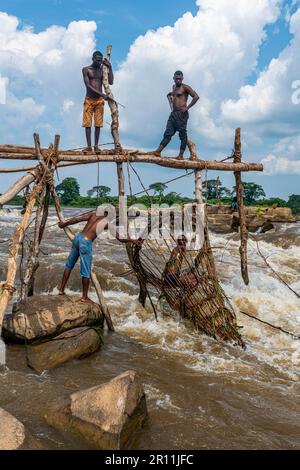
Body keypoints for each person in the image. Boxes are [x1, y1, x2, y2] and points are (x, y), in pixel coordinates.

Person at [58, 211, 139, 303]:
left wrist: (63, 224)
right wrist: (132, 240)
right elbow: (120, 238)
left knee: (69, 266)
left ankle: (61, 290)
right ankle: (84, 297)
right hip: (86, 242)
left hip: (78, 238)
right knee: (86, 272)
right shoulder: (107, 223)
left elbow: (77, 219)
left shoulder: (93, 215)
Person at [154, 71, 199, 160]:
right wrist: (171, 94)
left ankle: (180, 155)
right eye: (176, 78)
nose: (178, 80)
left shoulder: (185, 87)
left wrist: (187, 108)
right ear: (173, 78)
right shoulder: (174, 87)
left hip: (182, 114)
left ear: (182, 79)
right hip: (173, 114)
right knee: (168, 133)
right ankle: (158, 151)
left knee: (182, 134)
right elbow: (176, 96)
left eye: (180, 78)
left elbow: (196, 97)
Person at [82, 51, 114, 152]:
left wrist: (110, 67)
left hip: (99, 101)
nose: (99, 62)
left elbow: (111, 82)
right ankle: (89, 146)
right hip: (89, 99)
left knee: (98, 124)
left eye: (101, 60)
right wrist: (102, 94)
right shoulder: (86, 70)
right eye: (97, 60)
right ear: (93, 58)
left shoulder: (102, 70)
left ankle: (96, 146)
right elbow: (88, 86)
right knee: (87, 124)